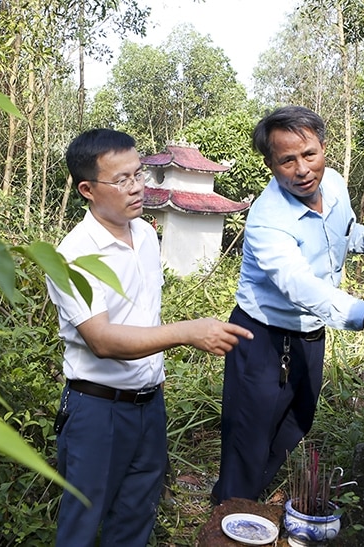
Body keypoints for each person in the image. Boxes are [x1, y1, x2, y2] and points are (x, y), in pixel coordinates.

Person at [46, 128, 253, 546]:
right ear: (87, 189)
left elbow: (140, 319)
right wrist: (187, 332)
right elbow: (101, 339)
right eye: (122, 180)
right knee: (81, 527)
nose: (137, 187)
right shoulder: (73, 255)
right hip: (97, 411)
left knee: (136, 519)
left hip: (149, 407)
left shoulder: (143, 234)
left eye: (140, 174)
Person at [211, 106, 364, 504]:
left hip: (309, 334)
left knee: (296, 423)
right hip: (261, 338)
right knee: (248, 437)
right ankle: (230, 514)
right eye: (287, 160)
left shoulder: (337, 186)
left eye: (309, 154)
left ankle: (245, 498)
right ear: (271, 165)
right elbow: (297, 284)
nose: (302, 169)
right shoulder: (267, 219)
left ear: (323, 147)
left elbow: (342, 236)